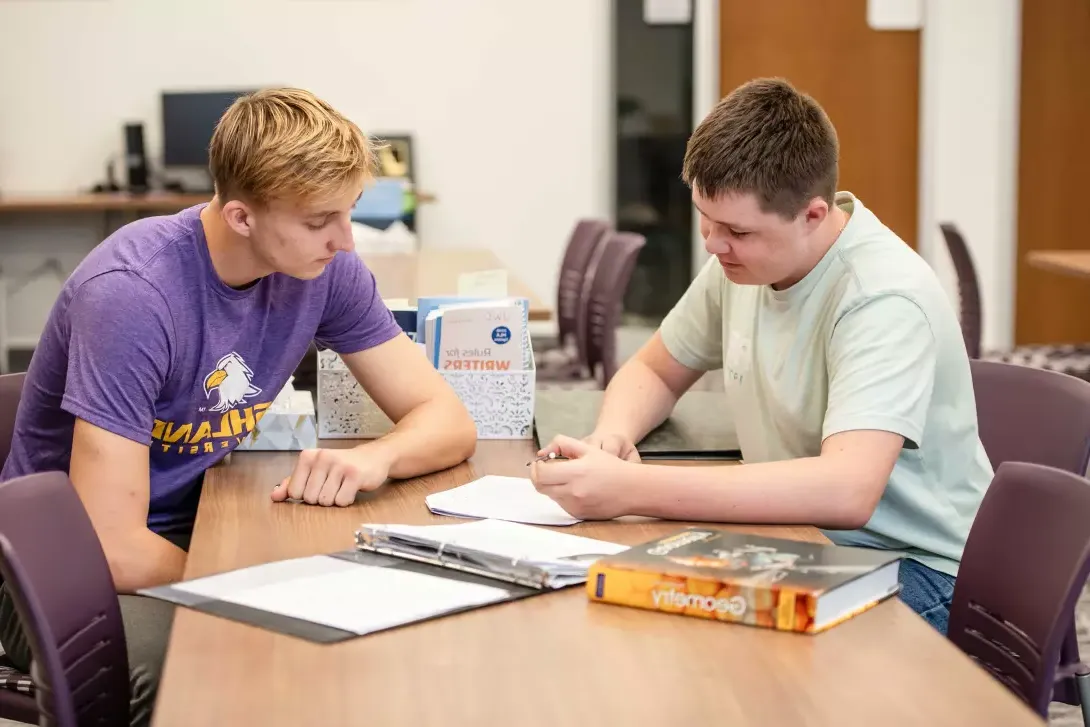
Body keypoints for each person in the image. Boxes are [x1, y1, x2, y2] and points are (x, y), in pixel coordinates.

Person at [0, 88, 477, 724]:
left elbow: (447, 420)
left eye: (350, 212)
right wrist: (265, 585)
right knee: (221, 677)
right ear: (241, 218)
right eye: (318, 222)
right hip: (54, 565)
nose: (346, 242)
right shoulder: (132, 296)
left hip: (193, 523)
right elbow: (111, 547)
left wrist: (378, 459)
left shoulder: (323, 270)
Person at [530, 77, 993, 635]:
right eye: (705, 217)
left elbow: (847, 491)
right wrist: (612, 437)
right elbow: (656, 367)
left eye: (737, 230)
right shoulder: (743, 263)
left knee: (715, 649)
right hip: (801, 538)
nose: (713, 243)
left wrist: (631, 489)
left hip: (919, 567)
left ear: (813, 215)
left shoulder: (881, 298)